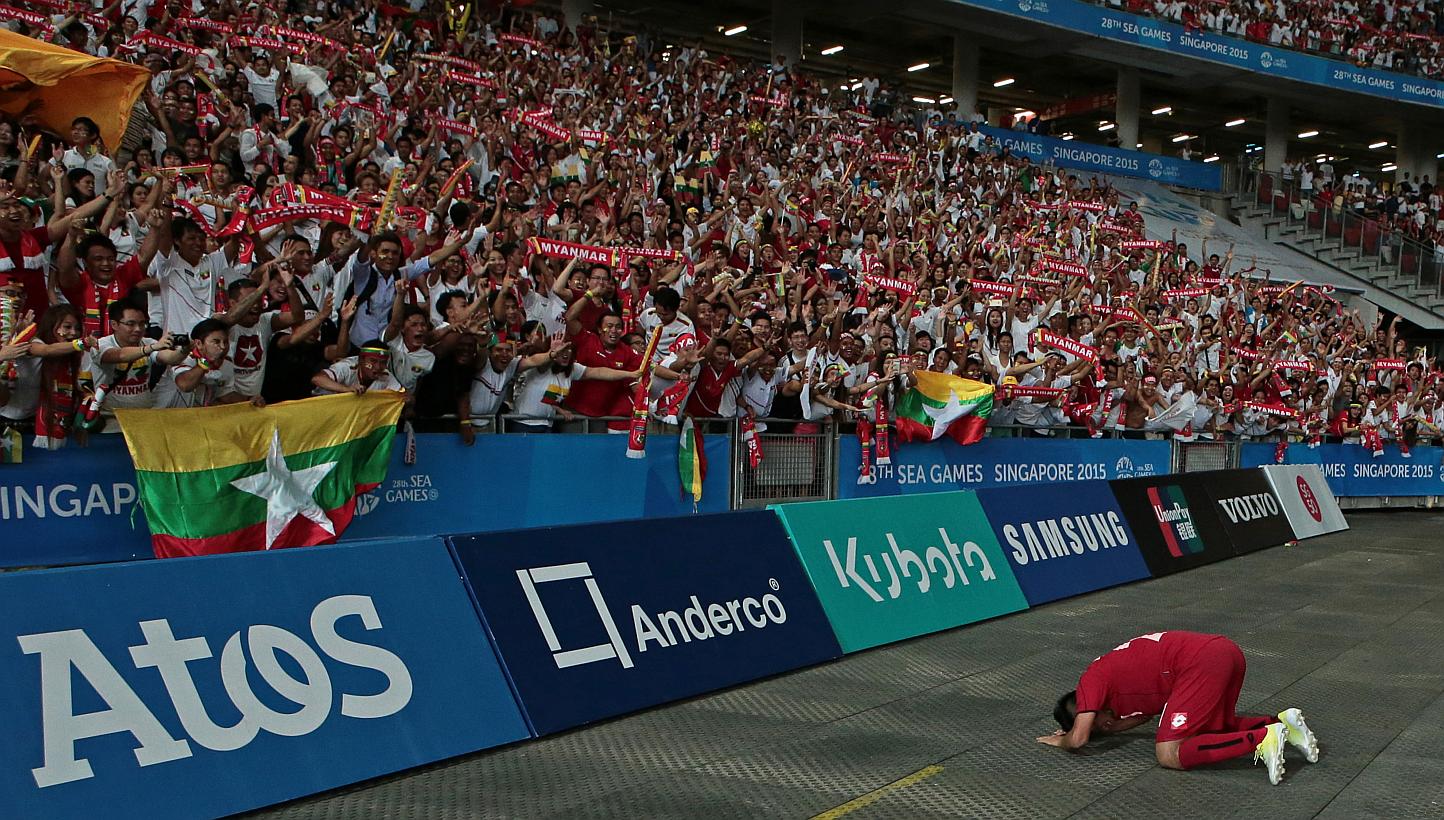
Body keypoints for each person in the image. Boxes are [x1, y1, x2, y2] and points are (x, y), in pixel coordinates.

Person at [1040, 631, 1320, 785]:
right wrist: (1098, 728)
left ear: (1084, 709)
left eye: (1097, 724)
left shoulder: (1090, 681)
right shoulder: (1118, 695)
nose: (1108, 727)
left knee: (1169, 754)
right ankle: (1282, 724)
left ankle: (1261, 740)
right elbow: (1142, 718)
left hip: (1199, 663)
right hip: (1223, 652)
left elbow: (1079, 740)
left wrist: (1062, 740)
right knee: (1212, 729)